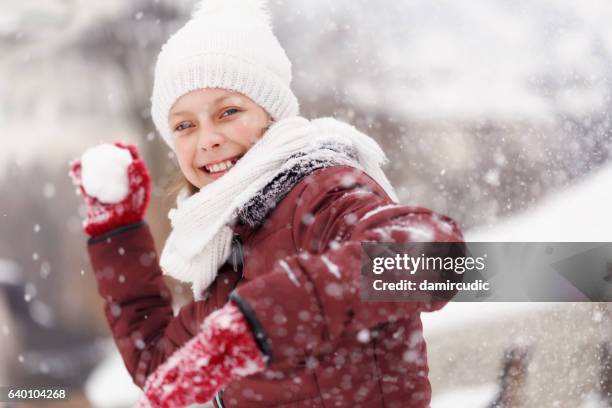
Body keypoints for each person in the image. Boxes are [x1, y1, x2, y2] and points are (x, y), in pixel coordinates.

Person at [69, 1, 465, 407]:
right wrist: (117, 231)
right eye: (184, 125)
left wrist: (264, 318)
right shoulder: (233, 245)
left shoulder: (321, 194)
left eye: (228, 111)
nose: (206, 140)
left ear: (272, 114)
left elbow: (438, 257)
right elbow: (160, 366)